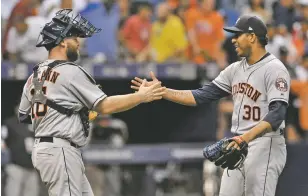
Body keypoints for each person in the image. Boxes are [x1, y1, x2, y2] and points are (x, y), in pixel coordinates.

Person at [132, 15, 290, 196]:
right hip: (238, 143)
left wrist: (243, 139)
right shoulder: (234, 69)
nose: (233, 40)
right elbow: (201, 96)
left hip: (265, 143)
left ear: (252, 37)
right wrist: (163, 92)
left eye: (238, 35)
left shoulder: (275, 69)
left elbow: (277, 114)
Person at [18, 9, 165, 196]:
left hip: (47, 149)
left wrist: (69, 112)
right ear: (62, 41)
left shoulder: (34, 76)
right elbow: (105, 106)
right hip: (60, 149)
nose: (78, 43)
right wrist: (141, 96)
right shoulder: (70, 71)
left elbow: (24, 115)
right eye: (73, 38)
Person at [2, 105, 40, 196]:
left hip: (31, 167)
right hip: (16, 166)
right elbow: (2, 141)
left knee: (32, 192)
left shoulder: (34, 125)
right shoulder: (10, 123)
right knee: (13, 192)